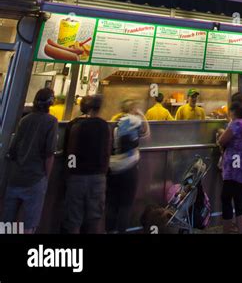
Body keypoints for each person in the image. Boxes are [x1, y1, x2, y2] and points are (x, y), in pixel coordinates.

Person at [3, 88, 58, 234]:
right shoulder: (51, 121)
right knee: (29, 223)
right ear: (50, 103)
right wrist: (46, 178)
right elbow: (49, 154)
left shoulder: (24, 120)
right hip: (35, 179)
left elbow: (13, 150)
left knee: (7, 222)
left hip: (16, 178)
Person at [62, 94, 112, 233]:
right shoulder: (105, 126)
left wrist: (69, 174)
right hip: (98, 178)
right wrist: (103, 174)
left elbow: (71, 152)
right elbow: (107, 153)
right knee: (94, 220)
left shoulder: (76, 125)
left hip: (77, 177)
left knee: (73, 221)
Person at [106, 99, 150, 233]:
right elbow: (146, 133)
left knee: (112, 204)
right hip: (128, 168)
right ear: (132, 109)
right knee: (125, 205)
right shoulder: (134, 120)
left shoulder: (117, 121)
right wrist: (141, 114)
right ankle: (121, 231)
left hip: (113, 167)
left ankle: (109, 231)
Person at [217, 98, 242, 233]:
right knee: (238, 199)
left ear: (233, 111)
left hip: (235, 167)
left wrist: (221, 133)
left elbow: (222, 140)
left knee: (226, 198)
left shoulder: (236, 124)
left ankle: (226, 230)